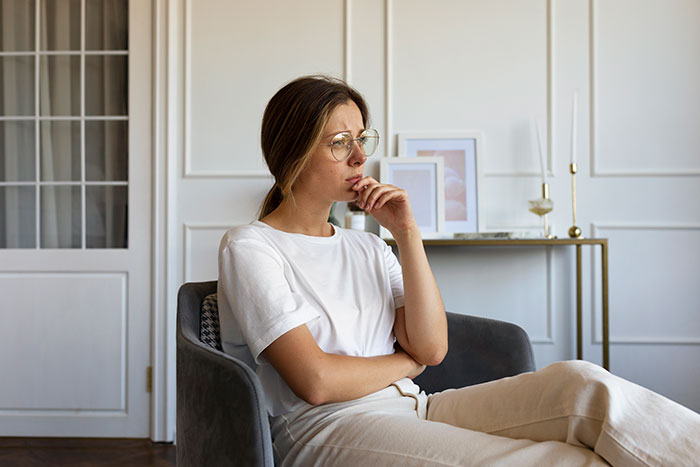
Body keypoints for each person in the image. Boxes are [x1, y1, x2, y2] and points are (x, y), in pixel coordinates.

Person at [218, 75, 700, 466]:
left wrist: (407, 235)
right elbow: (317, 382)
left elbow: (432, 346)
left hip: (416, 406)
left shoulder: (367, 245)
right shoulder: (251, 246)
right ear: (293, 151)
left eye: (362, 138)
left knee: (581, 385)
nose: (362, 156)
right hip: (328, 430)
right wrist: (407, 365)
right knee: (562, 459)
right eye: (341, 142)